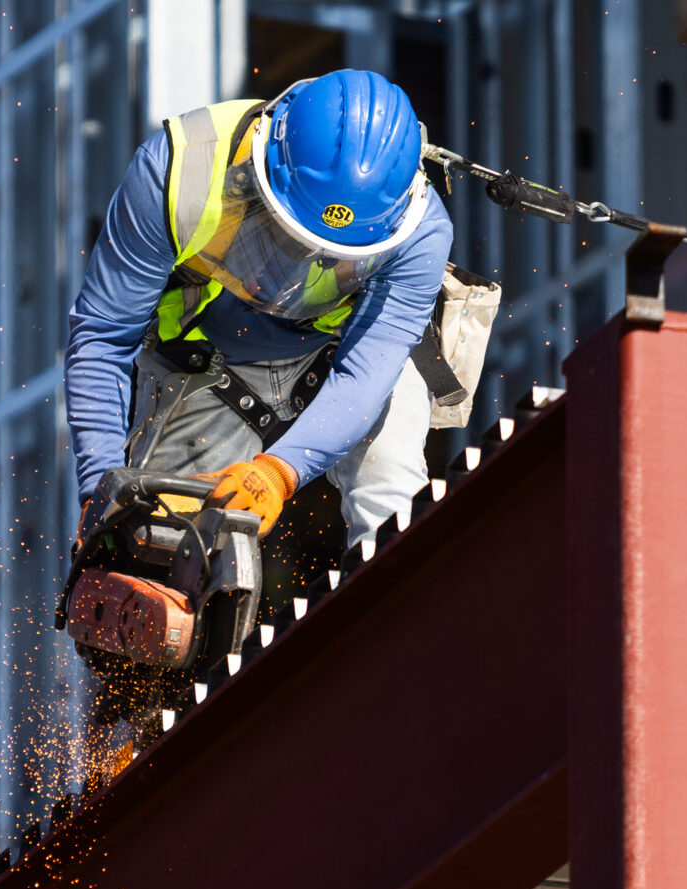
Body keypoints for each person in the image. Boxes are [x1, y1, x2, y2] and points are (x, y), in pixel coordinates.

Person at [65, 69, 454, 546]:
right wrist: (101, 484)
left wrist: (278, 471)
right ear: (261, 164)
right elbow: (104, 337)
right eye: (287, 237)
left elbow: (364, 377)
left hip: (344, 350)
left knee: (392, 492)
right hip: (211, 361)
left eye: (334, 255)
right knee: (157, 544)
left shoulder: (421, 232)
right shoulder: (178, 172)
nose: (301, 266)